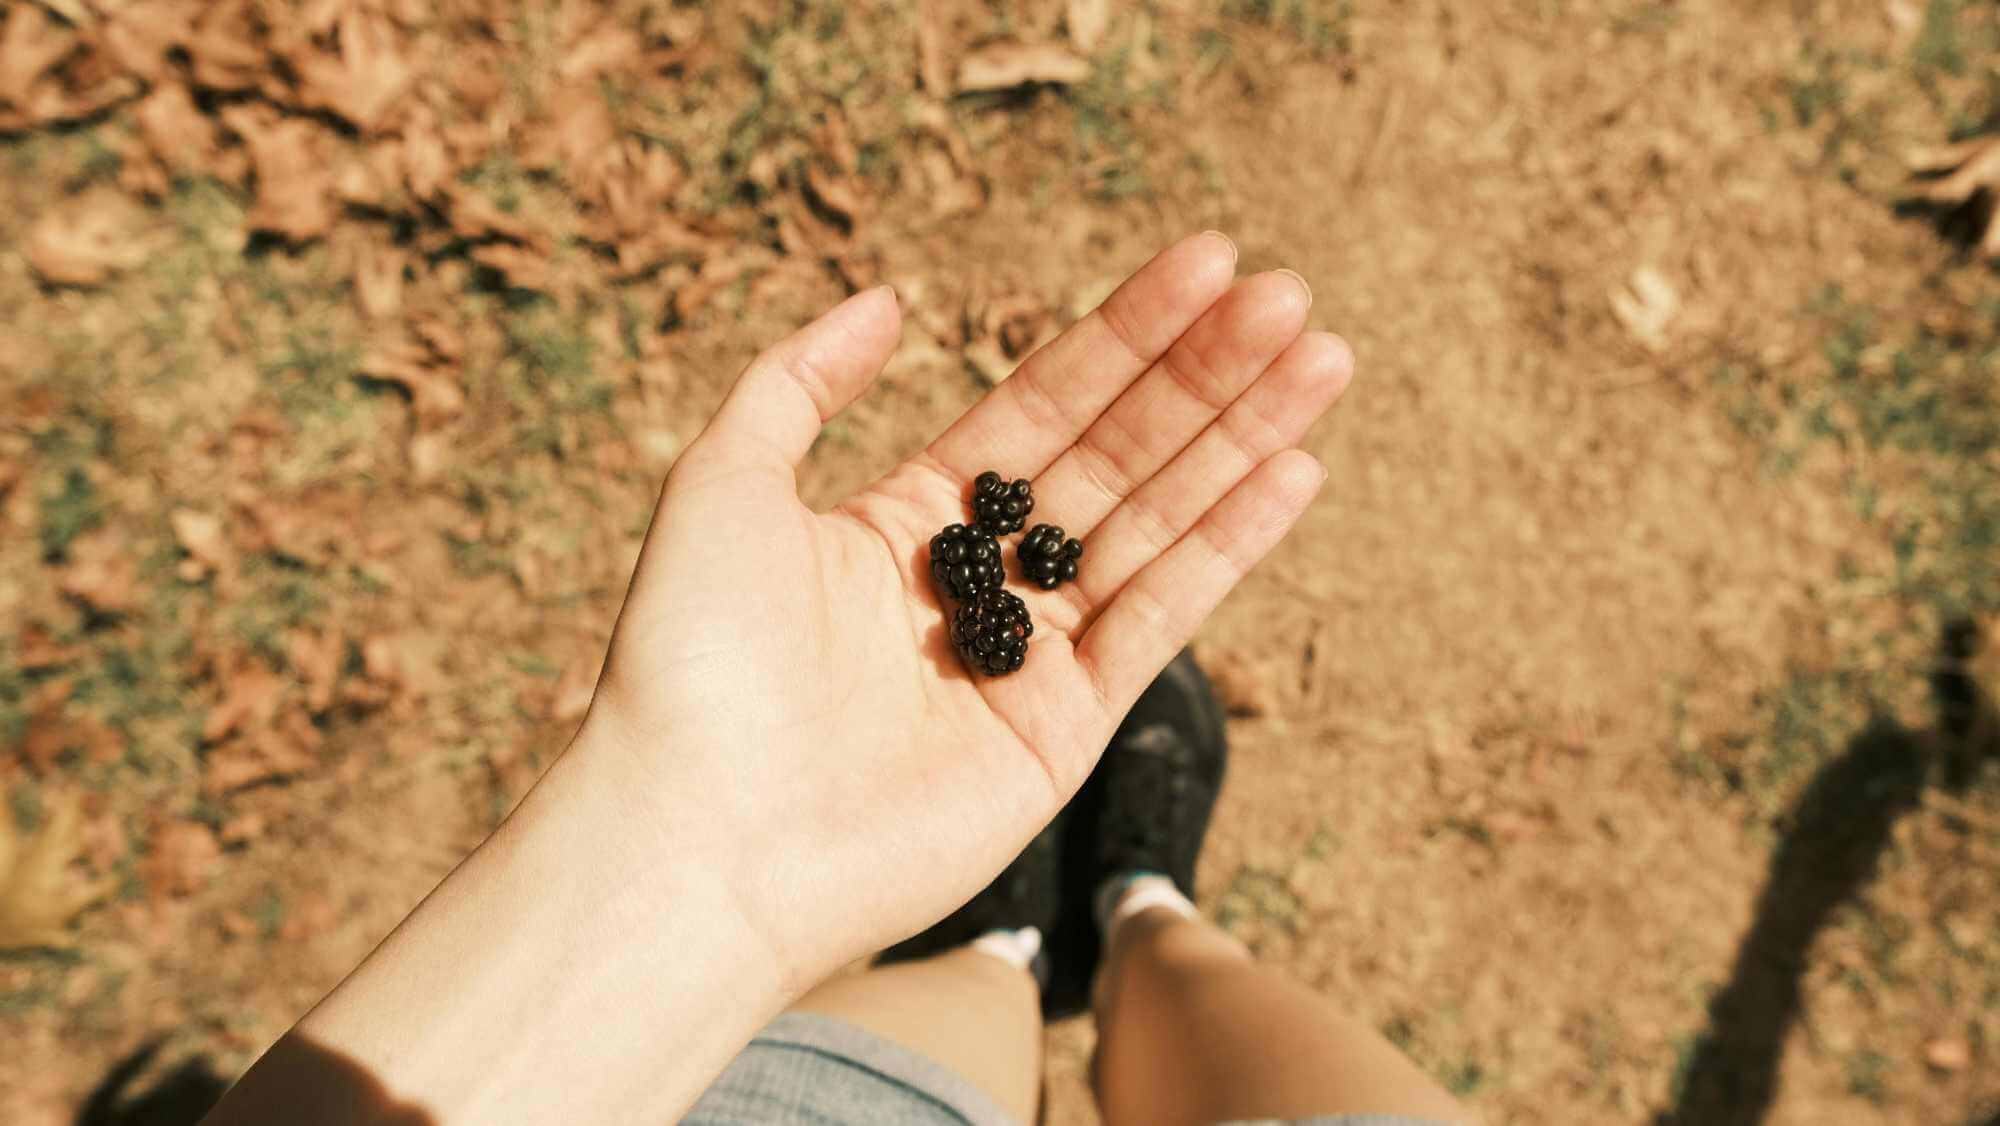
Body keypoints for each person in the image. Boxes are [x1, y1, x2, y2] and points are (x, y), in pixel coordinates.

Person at [200, 232, 1469, 1125]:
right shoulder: (988, 573)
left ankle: (1020, 937)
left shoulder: (991, 564)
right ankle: (1126, 914)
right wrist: (694, 845)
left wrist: (673, 867)